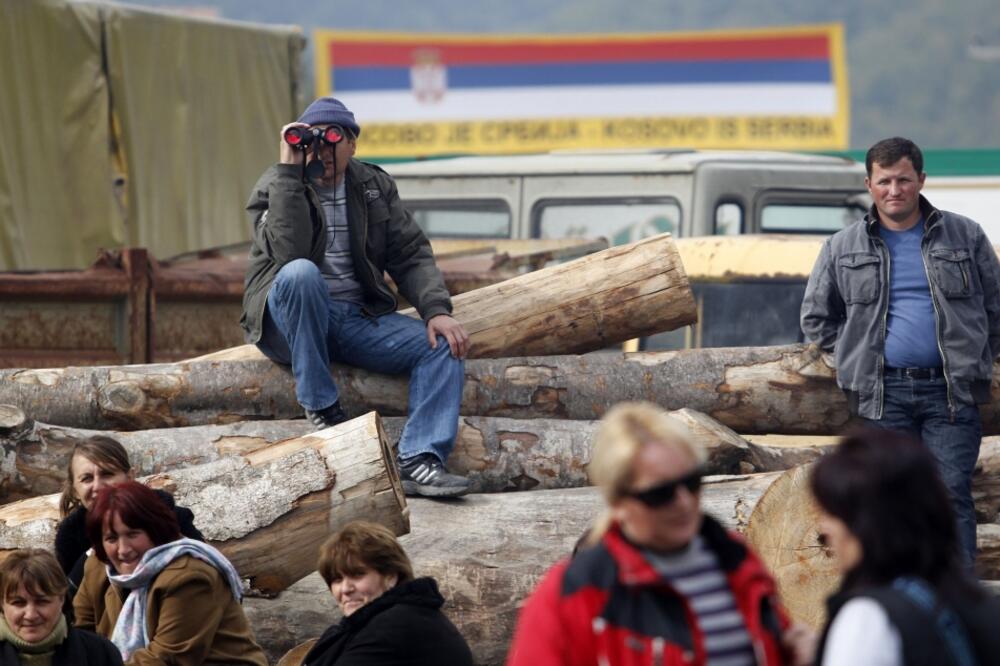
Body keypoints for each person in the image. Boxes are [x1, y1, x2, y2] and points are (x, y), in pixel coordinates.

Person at [240, 95, 471, 498]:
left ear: (353, 144)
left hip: (354, 318)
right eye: (313, 142)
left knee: (442, 346)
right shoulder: (275, 185)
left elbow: (410, 253)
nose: (323, 151)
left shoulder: (373, 186)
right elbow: (289, 253)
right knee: (300, 273)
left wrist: (435, 310)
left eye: (335, 140)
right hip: (286, 323)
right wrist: (290, 175)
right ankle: (322, 406)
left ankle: (419, 459)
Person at [801, 136, 1000, 563]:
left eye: (904, 180)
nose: (895, 190)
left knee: (950, 496)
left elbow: (994, 308)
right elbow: (817, 319)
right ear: (869, 184)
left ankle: (957, 600)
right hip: (881, 397)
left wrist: (978, 357)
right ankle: (898, 595)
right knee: (889, 500)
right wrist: (859, 355)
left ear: (922, 180)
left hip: (951, 395)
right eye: (885, 181)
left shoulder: (966, 236)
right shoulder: (841, 246)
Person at [506, 402, 808, 666]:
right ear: (619, 503)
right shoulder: (575, 593)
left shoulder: (735, 559)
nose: (684, 502)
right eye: (659, 494)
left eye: (691, 482)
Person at [811, 428, 1000, 666]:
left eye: (831, 513)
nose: (824, 528)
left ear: (865, 522)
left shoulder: (869, 620)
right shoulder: (981, 604)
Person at [73, 481, 266, 665]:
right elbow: (79, 635)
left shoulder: (188, 577)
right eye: (112, 538)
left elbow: (166, 660)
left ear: (154, 531)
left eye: (133, 534)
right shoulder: (98, 567)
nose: (123, 549)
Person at [53, 436, 203, 615]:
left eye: (107, 474)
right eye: (87, 479)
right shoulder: (71, 538)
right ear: (75, 490)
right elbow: (72, 608)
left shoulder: (173, 519)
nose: (98, 486)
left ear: (130, 477)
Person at [302, 520, 472, 666]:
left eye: (357, 574)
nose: (345, 589)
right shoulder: (408, 614)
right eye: (337, 579)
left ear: (390, 576)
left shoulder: (397, 625)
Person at [0, 548, 121, 665]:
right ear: (2, 604)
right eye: (18, 603)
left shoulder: (100, 654)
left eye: (42, 601)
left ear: (62, 598)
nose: (31, 615)